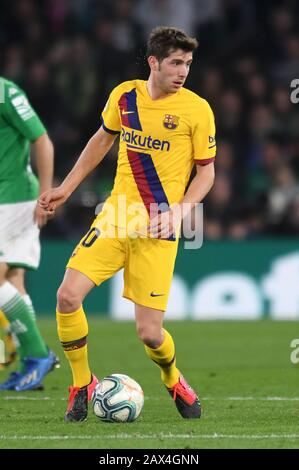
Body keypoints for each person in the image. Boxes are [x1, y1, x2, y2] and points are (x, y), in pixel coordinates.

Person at [39, 26, 216, 421]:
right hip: (116, 217)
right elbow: (101, 140)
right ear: (154, 62)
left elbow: (206, 174)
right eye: (175, 62)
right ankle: (81, 383)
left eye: (187, 63)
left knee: (150, 334)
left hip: (159, 226)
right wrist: (66, 187)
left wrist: (180, 212)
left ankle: (172, 378)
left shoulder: (197, 109)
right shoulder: (125, 96)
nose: (183, 70)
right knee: (67, 296)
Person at [0, 76, 59, 391]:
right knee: (12, 280)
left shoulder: (5, 92)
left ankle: (37, 355)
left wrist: (46, 194)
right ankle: (29, 363)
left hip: (14, 197)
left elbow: (42, 140)